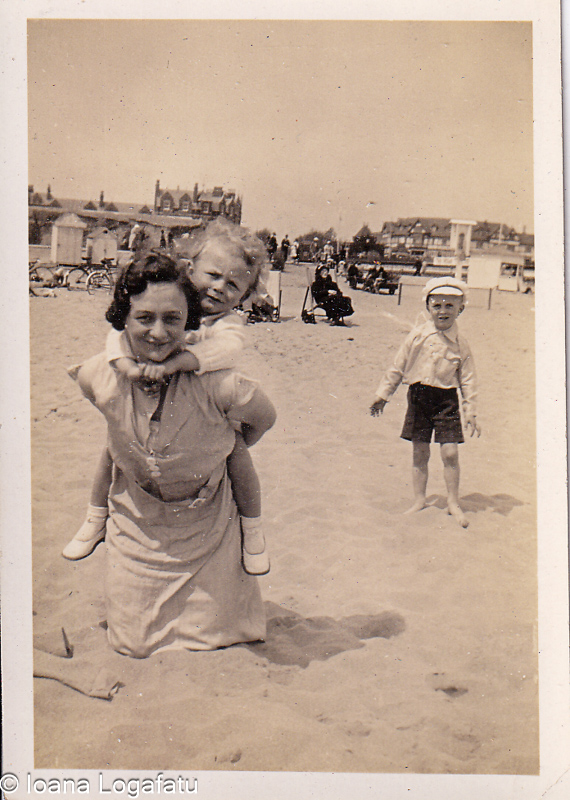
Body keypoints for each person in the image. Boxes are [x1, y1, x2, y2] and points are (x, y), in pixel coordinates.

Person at [68, 256, 276, 657]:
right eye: (144, 318)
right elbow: (108, 408)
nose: (159, 333)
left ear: (188, 322)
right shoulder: (98, 373)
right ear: (123, 317)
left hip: (207, 522)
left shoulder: (221, 381)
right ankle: (96, 522)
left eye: (173, 320)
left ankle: (249, 540)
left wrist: (221, 448)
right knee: (132, 641)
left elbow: (263, 418)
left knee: (218, 633)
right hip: (138, 524)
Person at [370, 277, 480, 527]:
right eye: (437, 305)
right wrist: (383, 395)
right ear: (428, 308)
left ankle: (453, 501)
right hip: (419, 398)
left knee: (450, 452)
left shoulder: (461, 344)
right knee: (420, 452)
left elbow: (469, 380)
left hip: (447, 401)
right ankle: (420, 499)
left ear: (460, 309)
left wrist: (470, 411)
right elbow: (397, 368)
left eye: (450, 306)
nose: (443, 311)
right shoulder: (417, 336)